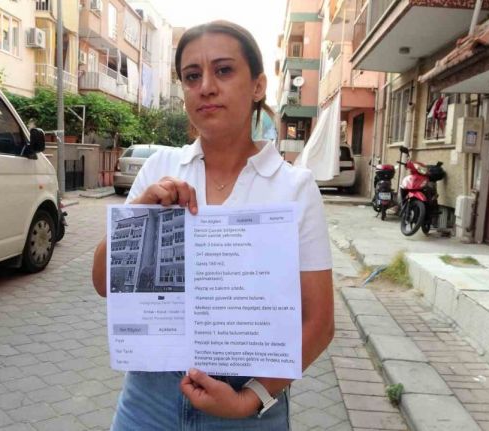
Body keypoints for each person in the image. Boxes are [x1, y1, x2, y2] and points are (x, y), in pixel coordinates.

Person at [92, 20, 334, 430]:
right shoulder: (160, 168)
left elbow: (319, 323)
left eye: (223, 70)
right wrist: (142, 214)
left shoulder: (294, 187)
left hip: (248, 405)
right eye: (192, 76)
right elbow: (103, 283)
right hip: (149, 400)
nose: (205, 86)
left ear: (258, 86)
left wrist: (247, 400)